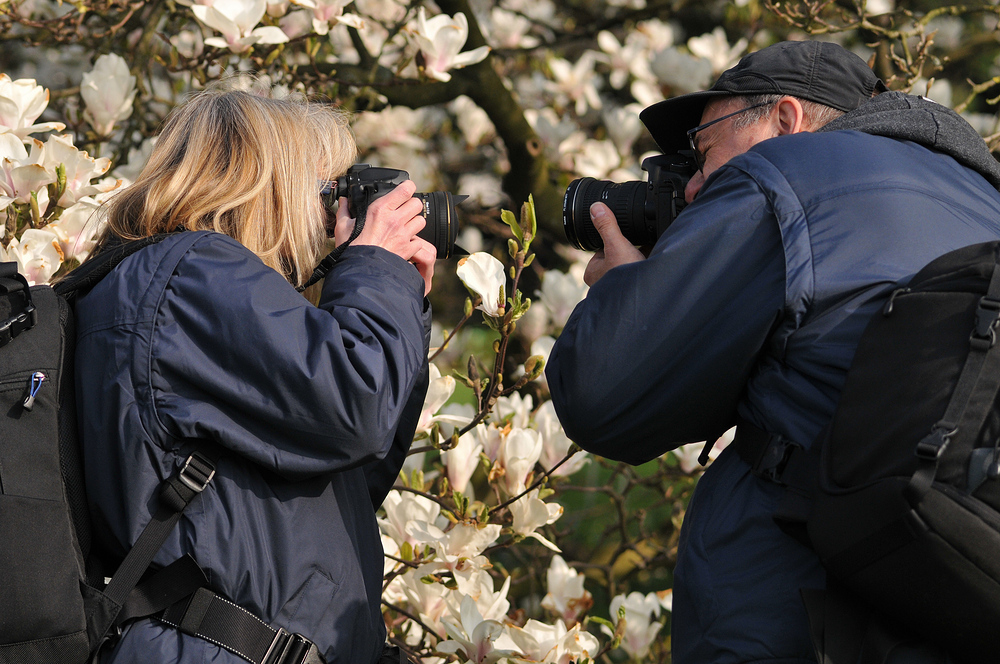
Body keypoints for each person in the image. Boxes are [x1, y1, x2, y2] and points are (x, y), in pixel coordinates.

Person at [546, 40, 1000, 663]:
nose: (696, 187)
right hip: (960, 594)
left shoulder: (787, 175)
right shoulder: (985, 202)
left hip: (797, 617)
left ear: (786, 120)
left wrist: (623, 288)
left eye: (703, 152)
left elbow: (603, 398)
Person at [71, 85, 435, 663]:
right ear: (274, 188)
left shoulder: (166, 284)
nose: (334, 220)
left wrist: (396, 299)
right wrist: (375, 274)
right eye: (328, 194)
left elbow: (339, 473)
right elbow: (356, 406)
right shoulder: (196, 275)